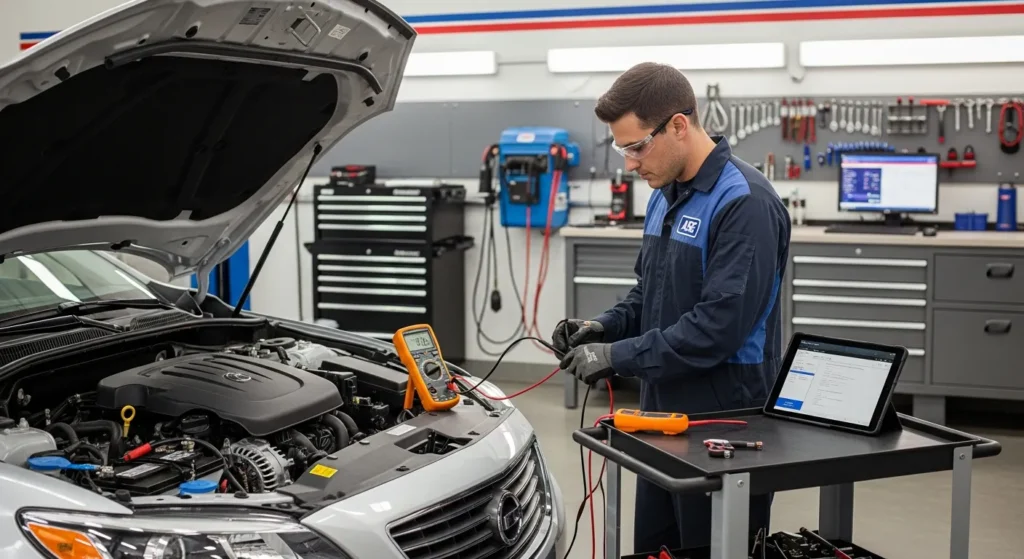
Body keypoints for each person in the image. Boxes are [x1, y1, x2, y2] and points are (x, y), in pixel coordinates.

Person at [552, 62, 791, 553]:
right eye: (623, 150)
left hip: (725, 416)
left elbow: (716, 329)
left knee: (710, 547)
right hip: (661, 410)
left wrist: (617, 358)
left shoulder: (743, 202)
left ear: (679, 125)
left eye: (637, 146)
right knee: (657, 547)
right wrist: (601, 328)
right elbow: (649, 295)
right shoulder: (666, 194)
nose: (630, 164)